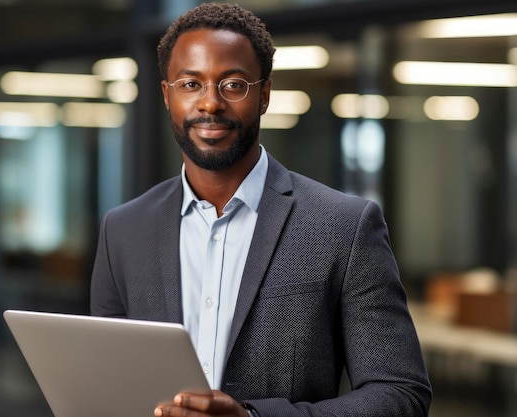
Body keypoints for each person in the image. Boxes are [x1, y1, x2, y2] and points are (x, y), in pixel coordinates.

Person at [90, 3, 432, 417]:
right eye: (190, 84)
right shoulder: (124, 230)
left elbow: (400, 393)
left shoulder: (344, 227)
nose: (210, 103)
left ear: (264, 95)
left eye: (232, 84)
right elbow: (108, 382)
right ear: (167, 95)